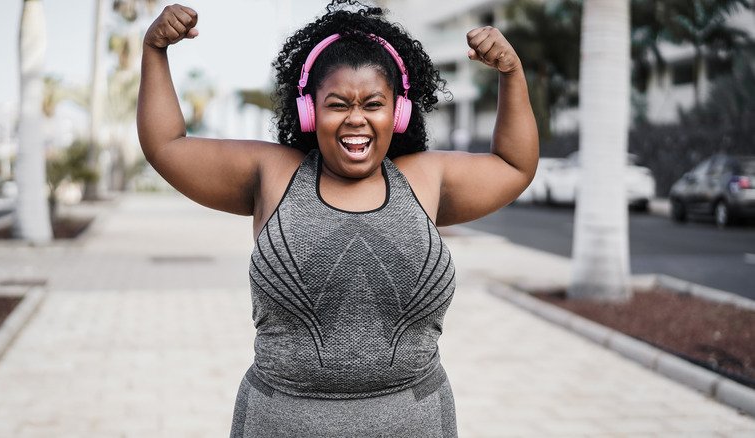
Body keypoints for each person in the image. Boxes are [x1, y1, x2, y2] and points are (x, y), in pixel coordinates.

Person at [138, 1, 538, 436]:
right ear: (310, 111)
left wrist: (511, 74)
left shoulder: (425, 178)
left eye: (373, 104)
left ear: (398, 113)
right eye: (337, 104)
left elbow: (514, 165)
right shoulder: (272, 173)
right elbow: (167, 146)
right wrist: (154, 50)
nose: (356, 119)